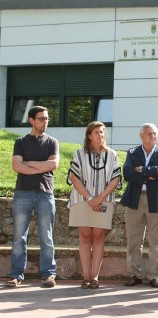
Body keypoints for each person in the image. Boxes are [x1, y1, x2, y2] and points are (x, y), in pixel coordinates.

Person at [6, 106, 59, 288]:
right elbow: (16, 167)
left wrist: (28, 163)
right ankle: (16, 275)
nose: (46, 122)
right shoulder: (20, 142)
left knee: (47, 236)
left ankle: (48, 275)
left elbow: (53, 165)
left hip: (45, 193)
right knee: (19, 236)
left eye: (47, 118)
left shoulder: (52, 142)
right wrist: (40, 166)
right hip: (23, 193)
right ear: (32, 120)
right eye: (42, 118)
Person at [67, 121, 121, 289]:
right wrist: (90, 197)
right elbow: (74, 178)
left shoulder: (112, 155)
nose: (100, 135)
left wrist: (100, 198)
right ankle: (86, 276)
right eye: (96, 132)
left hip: (104, 201)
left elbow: (116, 178)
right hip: (82, 200)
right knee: (85, 237)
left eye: (102, 132)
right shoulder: (79, 153)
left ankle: (95, 277)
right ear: (89, 136)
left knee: (98, 237)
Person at [120, 123, 158, 288]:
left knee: (157, 241)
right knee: (133, 240)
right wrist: (150, 175)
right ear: (141, 135)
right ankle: (135, 274)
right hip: (135, 200)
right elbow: (127, 173)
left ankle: (154, 275)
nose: (152, 136)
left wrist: (142, 171)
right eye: (148, 133)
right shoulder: (133, 153)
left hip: (157, 201)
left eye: (154, 134)